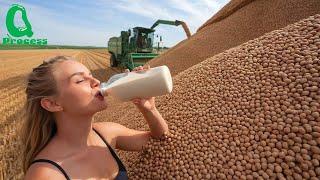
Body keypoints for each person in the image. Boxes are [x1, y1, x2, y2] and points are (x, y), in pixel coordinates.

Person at [22, 55, 169, 180]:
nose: (96, 82)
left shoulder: (107, 133)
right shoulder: (46, 174)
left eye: (91, 75)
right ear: (53, 103)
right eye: (80, 80)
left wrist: (149, 109)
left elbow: (160, 139)